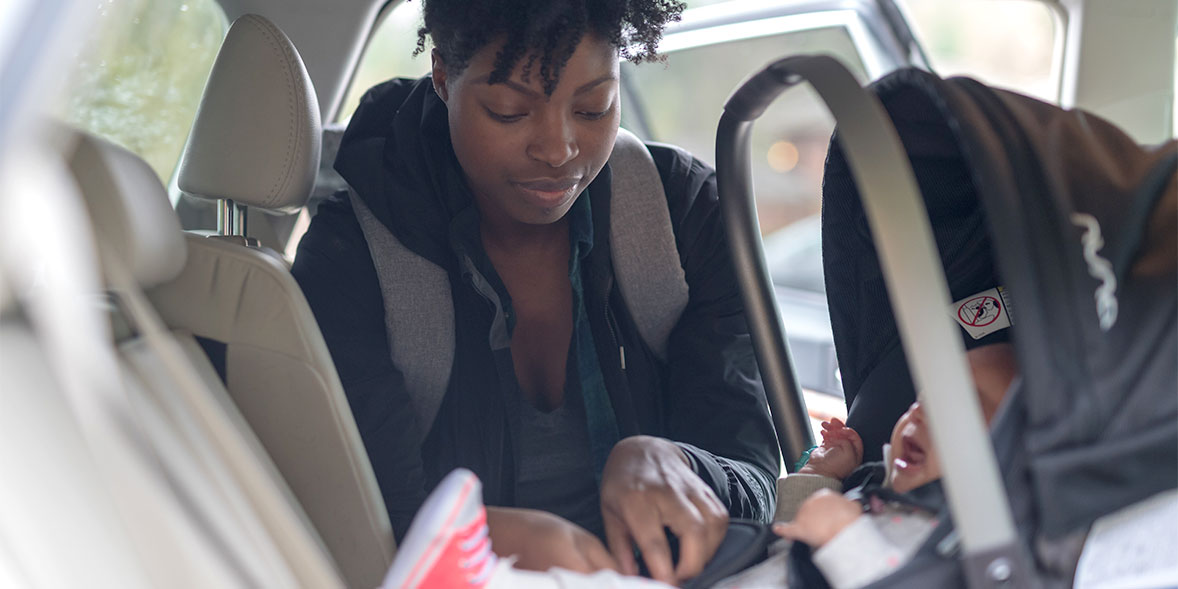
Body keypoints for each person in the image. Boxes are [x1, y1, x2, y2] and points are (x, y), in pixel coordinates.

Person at [291, 0, 780, 584]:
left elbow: (757, 480)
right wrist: (497, 536)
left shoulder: (684, 216)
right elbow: (353, 520)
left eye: (593, 107)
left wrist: (679, 463)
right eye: (509, 112)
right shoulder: (352, 257)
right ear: (443, 77)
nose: (558, 148)